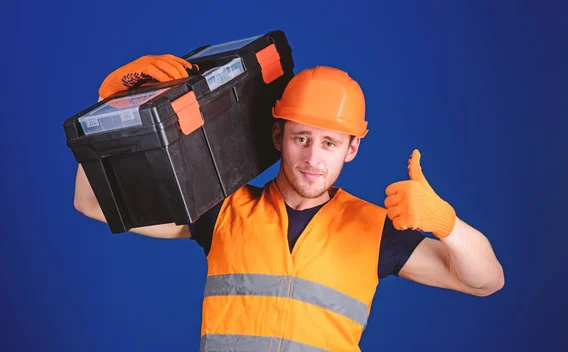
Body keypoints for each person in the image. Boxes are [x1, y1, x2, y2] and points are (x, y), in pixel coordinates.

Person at [74, 54, 505, 351]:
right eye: (301, 138)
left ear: (351, 149)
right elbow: (91, 203)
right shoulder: (222, 210)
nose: (313, 159)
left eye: (330, 144)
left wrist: (446, 224)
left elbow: (487, 281)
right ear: (278, 137)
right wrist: (114, 110)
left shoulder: (374, 230)